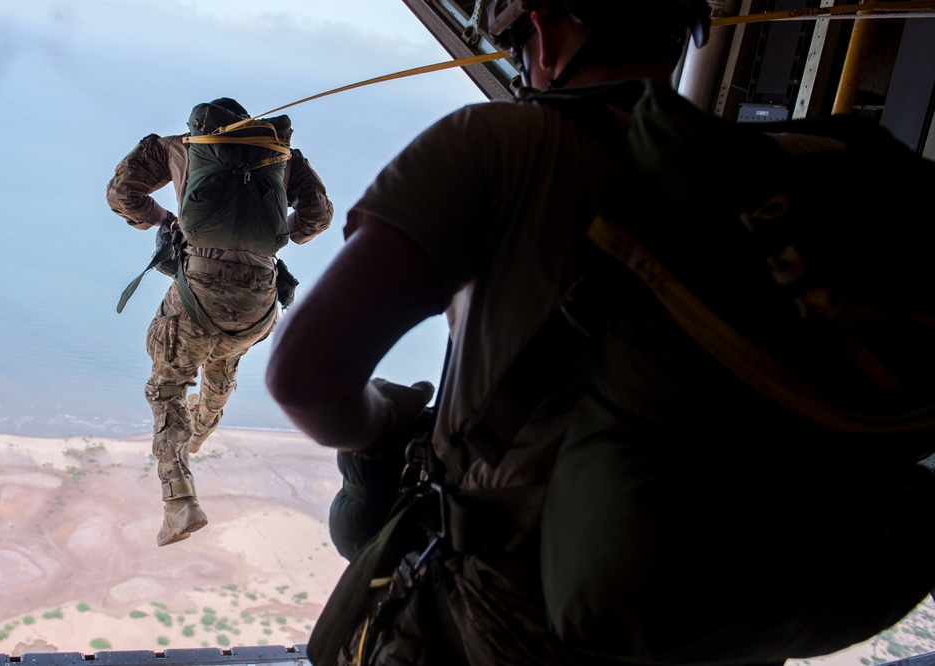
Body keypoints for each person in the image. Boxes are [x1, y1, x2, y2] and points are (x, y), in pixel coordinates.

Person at [265, 3, 935, 665]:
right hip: (714, 630)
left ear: (545, 32)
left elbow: (306, 378)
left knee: (361, 532)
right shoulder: (765, 198)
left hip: (504, 627)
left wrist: (383, 423)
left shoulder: (498, 143)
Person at [108, 97, 333, 547]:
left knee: (167, 388)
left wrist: (164, 218)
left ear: (201, 126)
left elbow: (121, 194)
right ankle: (202, 429)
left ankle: (179, 502)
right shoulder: (280, 156)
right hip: (259, 299)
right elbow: (319, 216)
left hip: (197, 292)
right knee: (224, 359)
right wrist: (276, 238)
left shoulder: (180, 147)